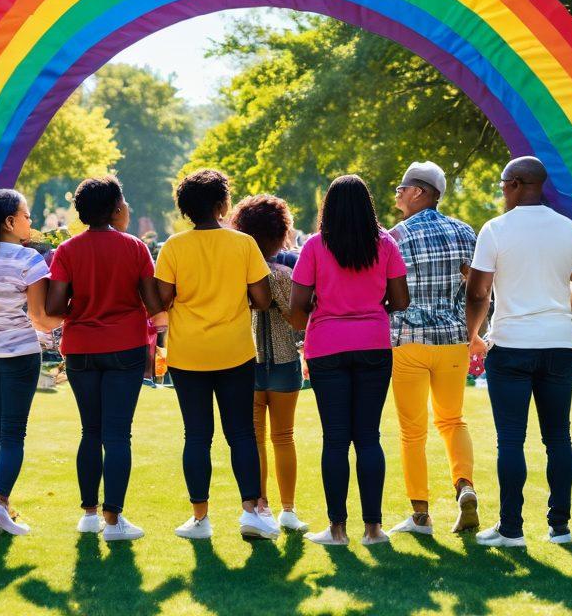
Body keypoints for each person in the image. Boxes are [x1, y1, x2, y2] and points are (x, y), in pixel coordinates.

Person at [466, 157, 572, 548]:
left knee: (510, 440)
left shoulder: (495, 229)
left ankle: (511, 528)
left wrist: (473, 334)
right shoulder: (566, 227)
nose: (502, 191)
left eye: (503, 184)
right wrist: (559, 311)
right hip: (557, 344)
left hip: (511, 344)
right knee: (558, 438)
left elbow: (477, 292)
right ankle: (560, 527)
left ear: (517, 183)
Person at [154, 169, 276, 541]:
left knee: (196, 435)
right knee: (241, 433)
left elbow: (161, 300)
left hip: (188, 352)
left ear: (185, 208)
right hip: (234, 350)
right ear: (223, 204)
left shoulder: (173, 246)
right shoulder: (244, 244)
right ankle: (251, 512)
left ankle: (200, 518)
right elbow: (263, 299)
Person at [288, 175, 408, 547]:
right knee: (369, 437)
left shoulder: (314, 246)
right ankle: (373, 529)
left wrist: (319, 310)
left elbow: (296, 307)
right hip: (373, 343)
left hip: (327, 347)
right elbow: (400, 300)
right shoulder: (385, 244)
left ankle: (337, 530)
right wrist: (372, 307)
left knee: (336, 439)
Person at [46, 177, 163, 542]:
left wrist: (83, 304)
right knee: (117, 434)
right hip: (125, 347)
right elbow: (153, 304)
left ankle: (89, 514)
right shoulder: (135, 247)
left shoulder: (67, 250)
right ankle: (113, 520)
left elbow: (54, 307)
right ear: (115, 209)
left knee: (90, 431)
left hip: (81, 347)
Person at [385, 161, 479, 537]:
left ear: (420, 191)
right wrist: (475, 331)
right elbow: (478, 290)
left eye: (402, 188)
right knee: (452, 420)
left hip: (408, 340)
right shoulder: (465, 232)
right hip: (453, 340)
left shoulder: (395, 236)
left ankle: (421, 515)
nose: (397, 194)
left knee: (412, 432)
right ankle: (464, 485)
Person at [0, 189, 61, 537]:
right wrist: (70, 315)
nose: (30, 221)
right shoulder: (28, 259)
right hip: (17, 354)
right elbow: (40, 318)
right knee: (12, 432)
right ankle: (0, 504)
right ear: (9, 222)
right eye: (26, 215)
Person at [231, 194, 309, 534]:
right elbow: (299, 320)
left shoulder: (237, 270)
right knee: (284, 437)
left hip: (244, 359)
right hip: (284, 359)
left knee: (254, 439)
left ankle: (261, 505)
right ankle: (288, 510)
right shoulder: (284, 273)